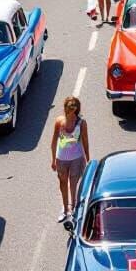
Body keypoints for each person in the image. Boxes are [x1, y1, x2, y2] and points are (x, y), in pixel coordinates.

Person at [50, 95, 89, 224]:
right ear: (65, 108)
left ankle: (73, 209)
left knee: (73, 184)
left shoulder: (81, 123)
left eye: (73, 108)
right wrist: (53, 160)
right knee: (62, 183)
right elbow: (54, 141)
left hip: (76, 159)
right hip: (61, 158)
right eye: (68, 108)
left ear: (77, 109)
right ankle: (65, 208)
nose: (70, 111)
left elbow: (85, 142)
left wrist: (87, 159)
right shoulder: (59, 121)